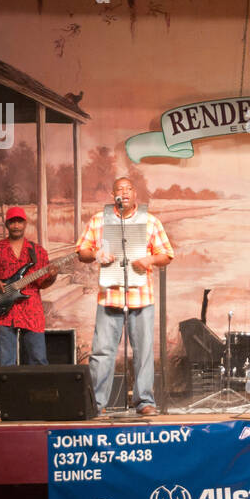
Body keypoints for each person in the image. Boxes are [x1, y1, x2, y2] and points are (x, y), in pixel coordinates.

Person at [77, 177, 174, 416]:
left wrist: (150, 259)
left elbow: (167, 254)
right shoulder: (99, 220)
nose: (124, 192)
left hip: (141, 295)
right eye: (119, 189)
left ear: (135, 194)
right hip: (110, 294)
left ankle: (144, 401)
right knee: (102, 351)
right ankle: (97, 403)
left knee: (143, 350)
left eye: (128, 189)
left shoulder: (150, 221)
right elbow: (82, 251)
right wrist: (97, 254)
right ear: (113, 195)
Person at [0, 206, 56, 366]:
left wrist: (53, 276)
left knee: (38, 361)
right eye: (12, 222)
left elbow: (43, 284)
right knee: (6, 363)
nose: (16, 225)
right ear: (6, 224)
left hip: (31, 310)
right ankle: (10, 392)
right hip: (4, 310)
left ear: (25, 224)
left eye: (19, 222)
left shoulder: (38, 251)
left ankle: (36, 391)